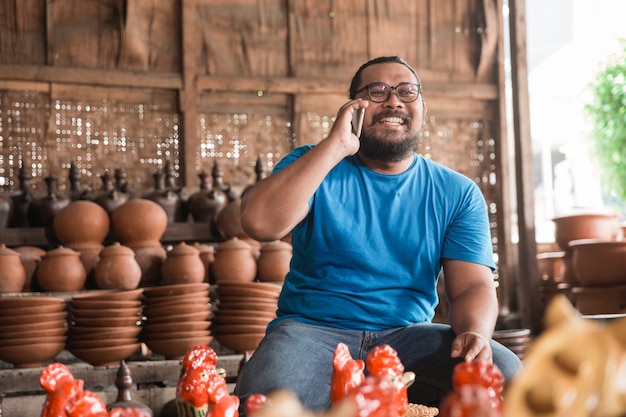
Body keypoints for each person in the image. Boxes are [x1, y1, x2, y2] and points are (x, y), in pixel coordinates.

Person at [234, 55, 522, 412]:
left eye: (407, 91)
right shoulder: (313, 163)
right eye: (377, 91)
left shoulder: (456, 192)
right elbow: (259, 223)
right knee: (264, 404)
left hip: (408, 337)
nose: (393, 101)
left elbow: (471, 287)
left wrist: (475, 333)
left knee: (506, 373)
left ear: (422, 108)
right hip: (310, 332)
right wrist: (337, 146)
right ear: (353, 106)